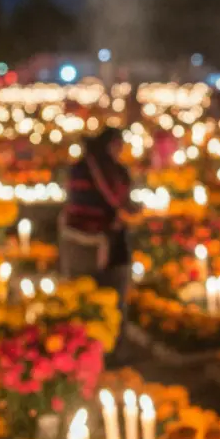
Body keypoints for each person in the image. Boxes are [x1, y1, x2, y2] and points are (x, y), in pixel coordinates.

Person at [60, 127, 136, 360]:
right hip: (105, 241)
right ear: (110, 144)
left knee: (83, 297)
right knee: (110, 296)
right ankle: (109, 351)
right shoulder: (110, 170)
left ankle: (82, 351)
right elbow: (122, 203)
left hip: (77, 242)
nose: (122, 149)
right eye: (119, 144)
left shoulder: (79, 166)